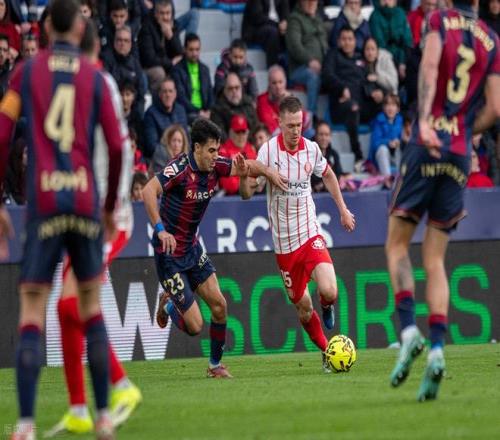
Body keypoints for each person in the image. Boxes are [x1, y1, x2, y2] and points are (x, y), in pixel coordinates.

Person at [0, 1, 126, 438]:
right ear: (79, 29)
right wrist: (109, 207)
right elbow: (116, 145)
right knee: (91, 307)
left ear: (47, 27)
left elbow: (2, 132)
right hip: (86, 203)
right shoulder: (95, 76)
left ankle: (26, 424)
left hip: (44, 203)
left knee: (32, 308)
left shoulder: (25, 72)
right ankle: (104, 416)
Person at [386, 0, 500, 402]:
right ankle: (437, 349)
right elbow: (496, 108)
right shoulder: (492, 41)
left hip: (428, 143)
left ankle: (408, 332)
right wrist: (465, 131)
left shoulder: (438, 20)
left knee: (397, 245)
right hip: (459, 154)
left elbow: (431, 67)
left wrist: (424, 122)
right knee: (435, 259)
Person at [45, 19, 141, 437]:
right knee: (64, 309)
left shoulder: (97, 84)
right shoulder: (80, 86)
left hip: (107, 219)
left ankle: (122, 385)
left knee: (71, 304)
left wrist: (110, 211)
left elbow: (120, 151)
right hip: (84, 215)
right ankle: (78, 409)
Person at [143, 118, 287, 379]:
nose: (216, 155)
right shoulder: (179, 170)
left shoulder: (216, 165)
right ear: (197, 148)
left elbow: (249, 165)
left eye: (218, 150)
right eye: (211, 150)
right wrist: (160, 230)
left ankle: (215, 366)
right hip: (169, 255)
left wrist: (268, 173)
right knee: (195, 326)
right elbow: (148, 191)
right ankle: (169, 306)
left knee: (220, 305)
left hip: (192, 248)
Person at [239, 96, 356, 372]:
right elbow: (246, 193)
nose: (295, 131)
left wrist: (343, 209)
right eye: (290, 125)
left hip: (309, 233)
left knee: (330, 290)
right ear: (279, 122)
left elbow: (328, 174)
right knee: (303, 308)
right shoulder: (268, 151)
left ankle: (327, 305)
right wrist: (247, 175)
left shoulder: (311, 149)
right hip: (284, 245)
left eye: (299, 125)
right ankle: (327, 351)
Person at [219, 114, 257, 195]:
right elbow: (228, 184)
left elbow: (258, 176)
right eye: (237, 132)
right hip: (232, 196)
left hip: (252, 193)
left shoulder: (251, 149)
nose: (241, 136)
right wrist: (246, 182)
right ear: (231, 132)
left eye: (243, 132)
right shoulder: (223, 152)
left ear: (247, 132)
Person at [368, 93, 403, 178]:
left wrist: (399, 142)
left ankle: (401, 178)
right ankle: (387, 179)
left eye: (393, 105)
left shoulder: (401, 121)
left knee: (401, 148)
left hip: (395, 155)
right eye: (388, 105)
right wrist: (388, 143)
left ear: (398, 109)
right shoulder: (379, 121)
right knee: (383, 149)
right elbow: (375, 143)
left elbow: (405, 139)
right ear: (384, 108)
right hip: (380, 157)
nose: (390, 108)